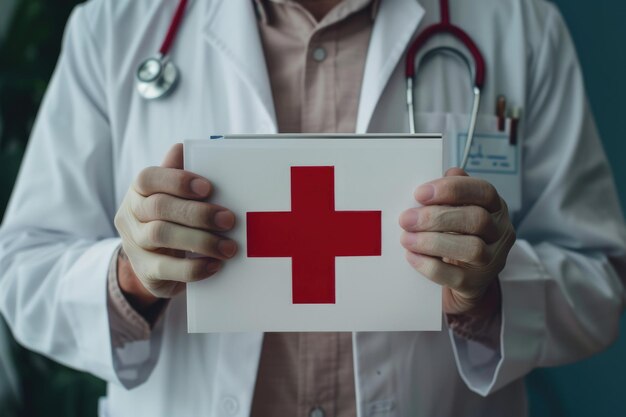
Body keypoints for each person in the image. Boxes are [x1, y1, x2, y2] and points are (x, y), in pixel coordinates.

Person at [0, 0, 625, 416]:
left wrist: (489, 296)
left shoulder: (518, 24)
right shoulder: (114, 24)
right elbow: (23, 269)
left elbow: (600, 277)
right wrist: (131, 278)